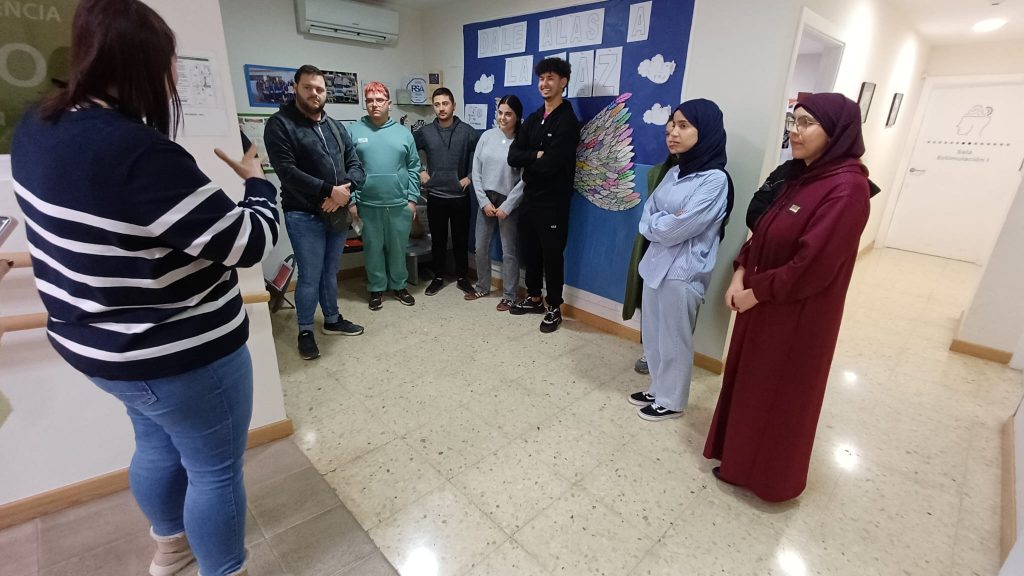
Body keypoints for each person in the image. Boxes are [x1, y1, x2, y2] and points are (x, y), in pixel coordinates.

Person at [10, 1, 281, 574]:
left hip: (101, 350)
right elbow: (249, 244)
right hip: (180, 354)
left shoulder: (37, 126)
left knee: (157, 445)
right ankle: (223, 569)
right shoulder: (138, 153)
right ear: (146, 64)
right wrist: (258, 184)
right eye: (173, 61)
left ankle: (170, 548)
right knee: (214, 471)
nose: (176, 75)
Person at [703, 92, 872, 502]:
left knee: (780, 394)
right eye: (793, 122)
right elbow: (764, 229)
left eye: (807, 123)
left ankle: (770, 478)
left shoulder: (848, 188)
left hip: (796, 315)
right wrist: (740, 272)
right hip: (761, 302)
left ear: (837, 131)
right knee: (751, 383)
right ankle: (739, 459)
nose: (795, 132)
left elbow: (813, 265)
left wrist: (755, 291)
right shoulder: (801, 174)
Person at [627, 100, 733, 421]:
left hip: (683, 271)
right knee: (656, 333)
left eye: (684, 126)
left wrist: (663, 223)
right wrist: (664, 222)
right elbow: (649, 215)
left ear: (707, 131)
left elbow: (679, 228)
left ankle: (672, 400)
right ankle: (658, 387)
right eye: (672, 124)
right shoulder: (673, 172)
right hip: (656, 264)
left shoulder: (714, 180)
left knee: (675, 337)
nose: (673, 132)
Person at [264, 64, 366, 361]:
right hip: (303, 214)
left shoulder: (335, 126)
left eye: (320, 89)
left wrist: (344, 192)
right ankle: (306, 330)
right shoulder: (280, 125)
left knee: (330, 272)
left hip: (337, 211)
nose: (314, 93)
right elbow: (287, 171)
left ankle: (332, 320)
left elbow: (355, 164)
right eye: (308, 87)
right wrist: (327, 190)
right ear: (295, 87)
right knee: (309, 276)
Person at [507, 57, 581, 333]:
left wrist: (533, 160)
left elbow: (551, 165)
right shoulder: (535, 117)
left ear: (563, 82)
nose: (544, 84)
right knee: (530, 250)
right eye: (541, 78)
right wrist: (534, 156)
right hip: (531, 197)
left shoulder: (568, 121)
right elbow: (513, 156)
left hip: (554, 201)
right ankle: (534, 296)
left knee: (552, 254)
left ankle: (554, 307)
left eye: (550, 78)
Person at [347, 81, 421, 310]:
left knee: (399, 248)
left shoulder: (403, 134)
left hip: (399, 203)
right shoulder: (354, 131)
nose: (374, 105)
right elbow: (346, 168)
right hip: (367, 204)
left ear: (389, 103)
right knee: (373, 249)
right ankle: (376, 288)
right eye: (369, 100)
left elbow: (414, 167)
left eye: (379, 100)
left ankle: (399, 285)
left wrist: (412, 199)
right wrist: (351, 201)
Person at [414, 87, 479, 296]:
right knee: (438, 240)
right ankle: (438, 276)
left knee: (461, 239)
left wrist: (469, 176)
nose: (441, 108)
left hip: (460, 196)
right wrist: (420, 171)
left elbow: (482, 157)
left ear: (453, 105)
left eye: (445, 103)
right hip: (436, 196)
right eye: (437, 104)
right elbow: (405, 150)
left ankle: (462, 277)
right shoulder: (425, 132)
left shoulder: (468, 131)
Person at [466, 95, 525, 310]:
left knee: (509, 251)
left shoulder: (522, 141)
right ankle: (482, 285)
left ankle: (510, 294)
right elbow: (476, 170)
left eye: (508, 114)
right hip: (486, 200)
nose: (503, 117)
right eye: (500, 113)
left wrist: (508, 206)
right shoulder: (487, 137)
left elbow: (524, 179)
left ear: (517, 117)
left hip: (509, 202)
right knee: (480, 246)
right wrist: (483, 202)